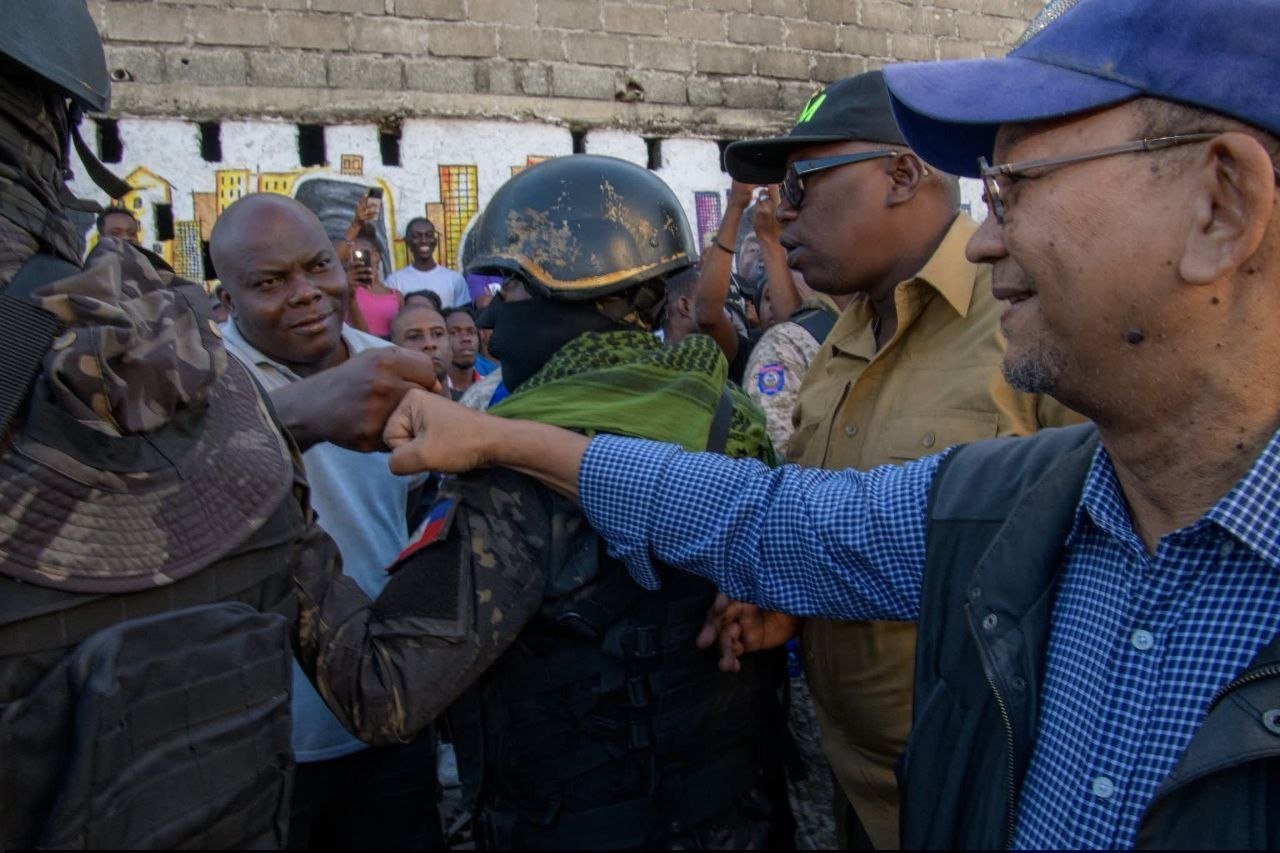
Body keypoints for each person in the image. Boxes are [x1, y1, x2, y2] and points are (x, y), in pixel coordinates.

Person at [382, 1, 1280, 848]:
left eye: (1014, 187)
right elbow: (769, 519)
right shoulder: (1021, 500)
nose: (983, 238)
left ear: (1221, 204)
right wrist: (502, 437)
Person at [0, 4, 548, 849]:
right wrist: (287, 418)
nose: (305, 294)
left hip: (367, 727)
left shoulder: (391, 362)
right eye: (270, 282)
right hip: (264, 731)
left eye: (319, 267)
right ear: (226, 296)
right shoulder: (162, 377)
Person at [721, 69, 1083, 849]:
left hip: (992, 798)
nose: (781, 219)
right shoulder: (838, 339)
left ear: (902, 173)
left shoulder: (1031, 319)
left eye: (799, 184)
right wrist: (795, 599)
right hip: (860, 790)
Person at [433, 153, 794, 849]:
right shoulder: (726, 412)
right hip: (728, 813)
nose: (490, 319)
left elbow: (385, 689)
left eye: (507, 291)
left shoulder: (492, 446)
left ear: (577, 296)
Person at [386, 217, 471, 309]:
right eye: (417, 236)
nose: (424, 240)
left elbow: (462, 315)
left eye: (429, 235)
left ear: (435, 241)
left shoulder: (455, 279)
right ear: (407, 242)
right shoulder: (395, 281)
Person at [345, 231, 402, 338]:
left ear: (376, 255)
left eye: (361, 253)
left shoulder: (396, 296)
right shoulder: (345, 292)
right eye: (351, 256)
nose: (356, 259)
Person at [391, 302, 453, 389]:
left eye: (438, 334)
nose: (429, 344)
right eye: (414, 337)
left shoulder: (472, 401)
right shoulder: (378, 402)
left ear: (450, 343)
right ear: (394, 348)